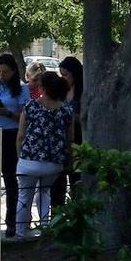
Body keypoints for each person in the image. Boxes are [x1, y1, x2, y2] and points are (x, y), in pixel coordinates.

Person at [14, 71, 73, 238]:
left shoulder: (31, 107)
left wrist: (21, 156)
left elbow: (20, 136)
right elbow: (70, 140)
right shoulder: (66, 110)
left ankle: (21, 232)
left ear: (42, 87)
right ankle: (46, 228)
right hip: (54, 162)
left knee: (24, 196)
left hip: (29, 160)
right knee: (45, 193)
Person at [0, 53, 30, 237]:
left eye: (6, 72)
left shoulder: (21, 89)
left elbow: (26, 117)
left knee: (10, 179)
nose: (2, 75)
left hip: (10, 134)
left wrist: (7, 113)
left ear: (13, 71)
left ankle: (11, 222)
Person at [51, 55, 84, 209]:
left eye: (66, 74)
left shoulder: (84, 91)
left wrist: (69, 115)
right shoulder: (61, 90)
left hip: (79, 140)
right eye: (61, 74)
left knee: (77, 177)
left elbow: (86, 117)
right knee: (58, 180)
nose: (63, 78)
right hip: (61, 140)